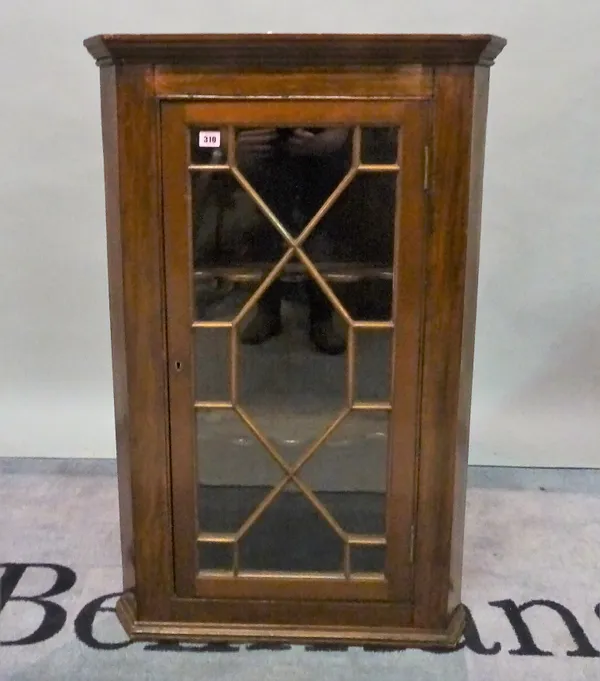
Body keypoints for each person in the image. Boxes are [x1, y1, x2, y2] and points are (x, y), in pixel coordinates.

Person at [236, 127, 351, 355]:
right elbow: (201, 138)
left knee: (320, 228)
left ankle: (322, 316)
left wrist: (342, 132)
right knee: (266, 228)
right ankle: (267, 310)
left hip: (323, 152)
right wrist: (227, 142)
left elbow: (368, 104)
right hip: (261, 154)